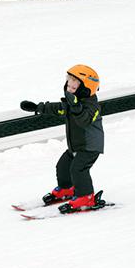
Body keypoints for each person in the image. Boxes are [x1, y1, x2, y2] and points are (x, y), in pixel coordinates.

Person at [20, 64, 105, 214]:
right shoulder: (70, 104)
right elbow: (57, 108)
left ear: (86, 88)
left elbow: (84, 120)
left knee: (78, 169)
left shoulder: (93, 107)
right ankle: (67, 189)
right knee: (62, 166)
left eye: (74, 85)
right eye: (68, 83)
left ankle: (86, 197)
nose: (69, 87)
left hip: (89, 147)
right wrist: (37, 107)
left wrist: (76, 106)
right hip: (76, 146)